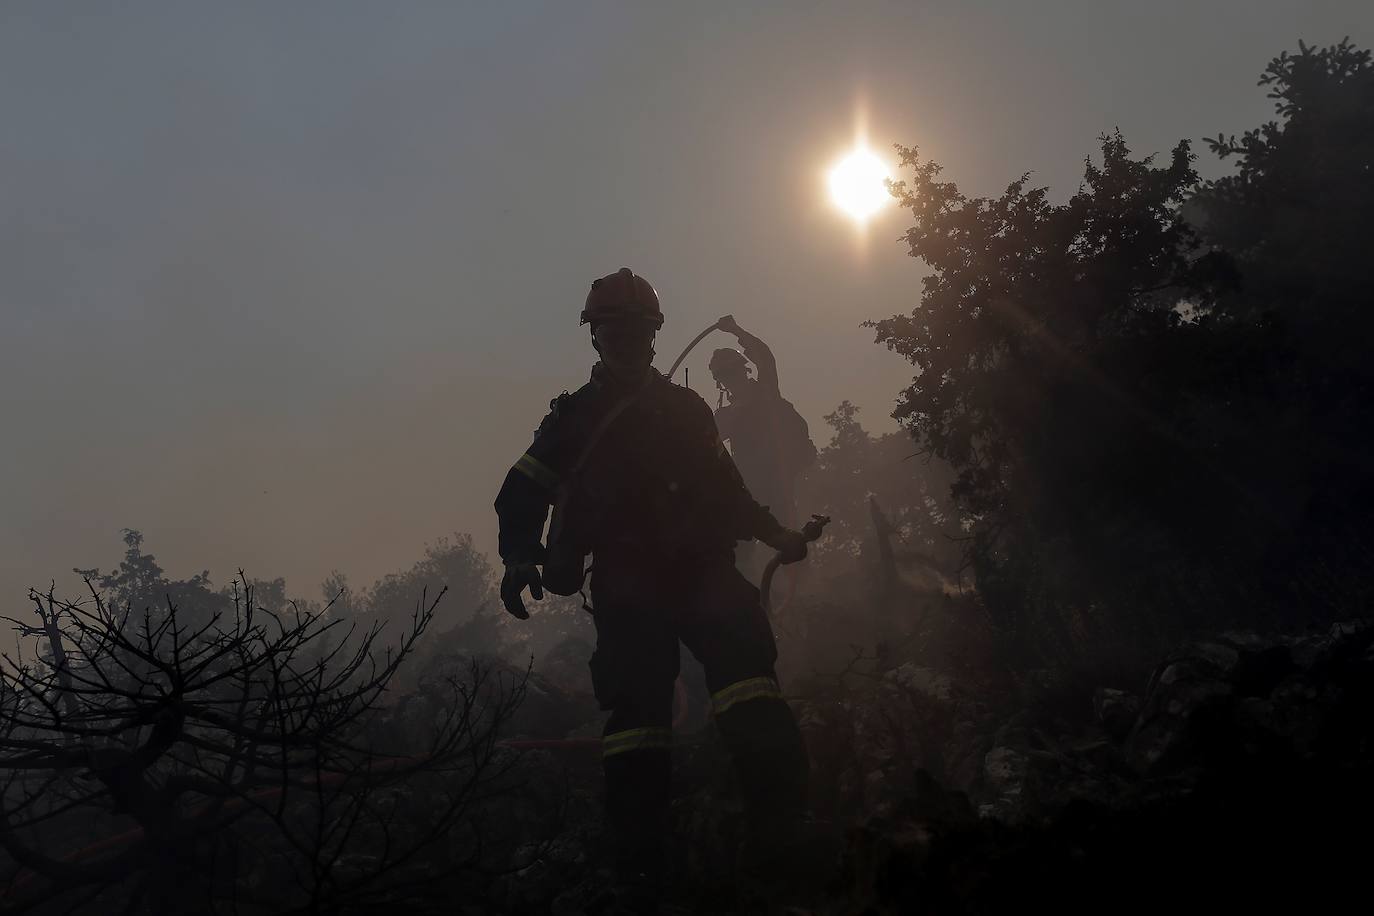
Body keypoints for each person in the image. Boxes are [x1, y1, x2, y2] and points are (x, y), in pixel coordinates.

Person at [493, 268, 810, 911]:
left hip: (703, 571)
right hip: (628, 581)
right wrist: (521, 558)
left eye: (637, 329)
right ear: (596, 337)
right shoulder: (575, 417)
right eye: (614, 329)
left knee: (749, 685)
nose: (627, 341)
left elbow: (728, 490)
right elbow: (522, 491)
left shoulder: (689, 411)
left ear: (654, 335)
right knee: (637, 719)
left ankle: (781, 837)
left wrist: (776, 533)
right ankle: (642, 866)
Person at [708, 316, 817, 575]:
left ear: (744, 370)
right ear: (720, 381)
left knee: (789, 541)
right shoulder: (724, 417)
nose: (731, 378)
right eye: (725, 375)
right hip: (749, 490)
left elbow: (765, 358)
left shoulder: (766, 393)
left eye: (733, 371)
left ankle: (803, 588)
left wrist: (736, 331)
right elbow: (702, 444)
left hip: (778, 481)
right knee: (740, 553)